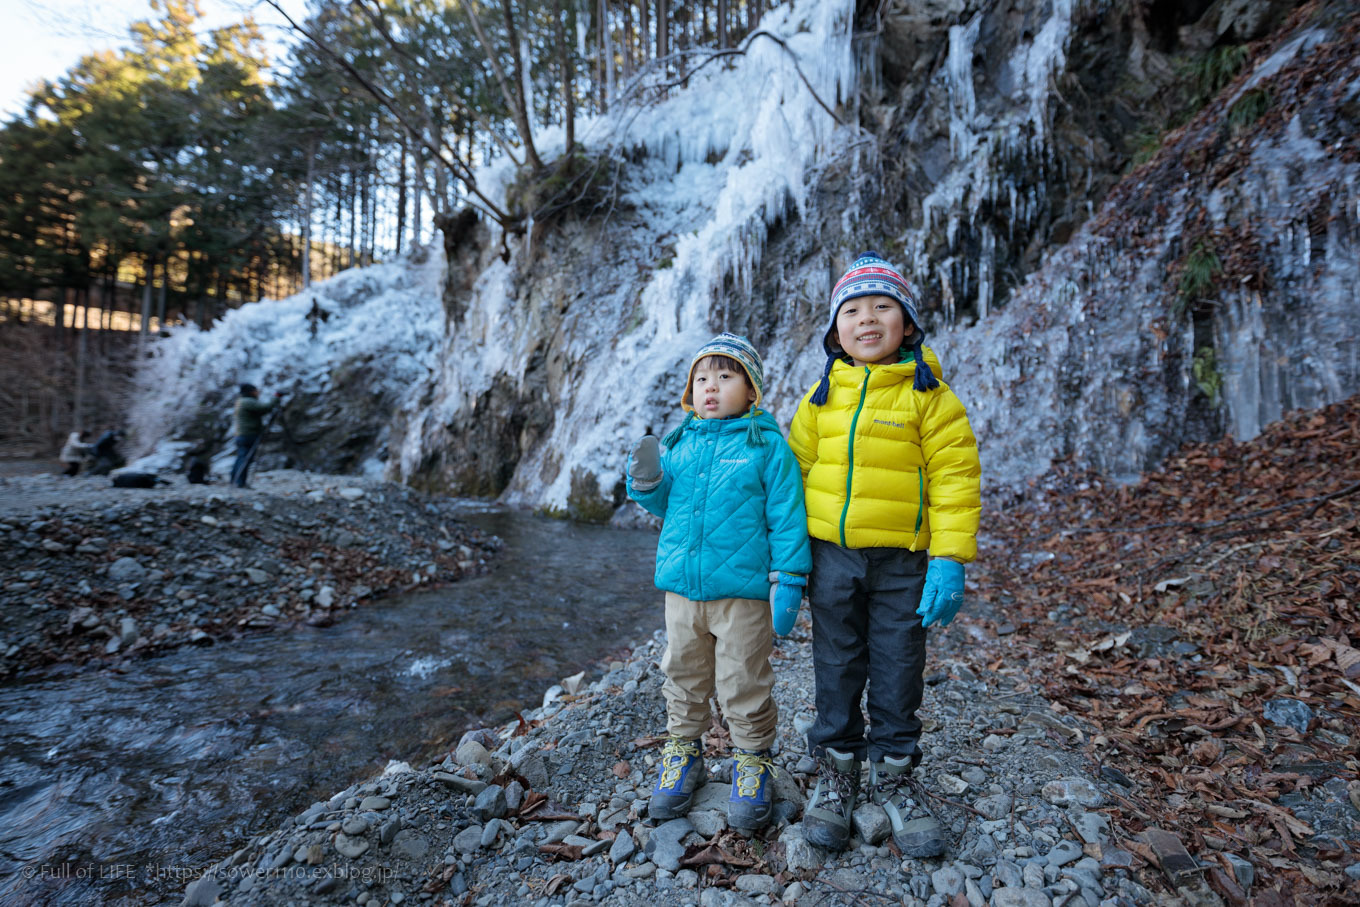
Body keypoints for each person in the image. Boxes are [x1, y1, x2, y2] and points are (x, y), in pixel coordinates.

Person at [788, 251, 981, 856]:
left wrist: (950, 558)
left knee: (899, 666)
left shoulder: (930, 396)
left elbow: (956, 475)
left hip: (904, 562)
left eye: (882, 306)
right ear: (834, 331)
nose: (866, 319)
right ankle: (838, 772)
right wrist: (783, 563)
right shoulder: (821, 398)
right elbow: (790, 477)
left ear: (907, 324)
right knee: (836, 662)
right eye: (852, 309)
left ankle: (896, 774)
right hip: (831, 557)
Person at [627, 333, 812, 833]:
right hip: (683, 591)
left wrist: (789, 579)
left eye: (725, 377)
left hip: (744, 594)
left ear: (751, 389)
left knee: (742, 678)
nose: (711, 387)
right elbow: (668, 504)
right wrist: (647, 483)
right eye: (702, 379)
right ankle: (684, 753)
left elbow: (787, 515)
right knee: (682, 672)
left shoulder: (766, 445)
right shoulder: (680, 440)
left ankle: (752, 760)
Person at [230, 384, 281, 488]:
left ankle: (235, 480)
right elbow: (264, 408)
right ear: (251, 392)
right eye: (256, 390)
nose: (258, 392)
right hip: (248, 434)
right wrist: (276, 397)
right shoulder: (248, 401)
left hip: (241, 434)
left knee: (241, 457)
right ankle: (240, 483)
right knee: (245, 459)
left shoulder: (241, 401)